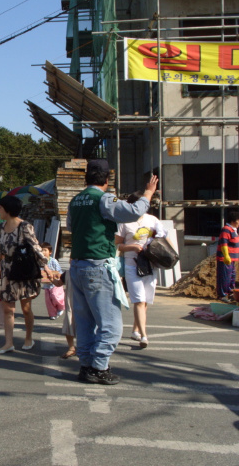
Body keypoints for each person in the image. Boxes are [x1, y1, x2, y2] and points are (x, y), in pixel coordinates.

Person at [67, 159, 158, 385]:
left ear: (86, 178)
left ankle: (86, 365)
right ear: (107, 180)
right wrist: (148, 193)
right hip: (97, 267)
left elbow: (70, 226)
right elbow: (133, 212)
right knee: (111, 324)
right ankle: (99, 367)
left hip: (76, 266)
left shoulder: (75, 200)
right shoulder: (105, 198)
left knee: (85, 321)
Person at [0, 195, 51, 354]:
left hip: (23, 271)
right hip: (7, 272)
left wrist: (47, 268)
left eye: (0, 207)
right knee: (8, 309)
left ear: (8, 209)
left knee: (26, 309)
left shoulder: (25, 226)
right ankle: (8, 343)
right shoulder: (1, 227)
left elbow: (36, 247)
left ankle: (28, 338)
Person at [115, 192, 167, 349]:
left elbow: (163, 236)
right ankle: (144, 335)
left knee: (145, 302)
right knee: (139, 300)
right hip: (132, 264)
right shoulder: (124, 222)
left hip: (150, 264)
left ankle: (135, 330)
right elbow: (117, 245)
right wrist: (132, 247)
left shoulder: (152, 220)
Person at [51, 270, 76, 359]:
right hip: (71, 306)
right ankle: (71, 347)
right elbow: (58, 283)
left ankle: (85, 349)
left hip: (85, 305)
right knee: (68, 326)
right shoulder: (68, 273)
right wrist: (52, 279)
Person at [216, 210, 239, 303]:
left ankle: (230, 293)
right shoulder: (226, 229)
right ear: (234, 221)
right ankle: (223, 295)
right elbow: (224, 243)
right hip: (225, 259)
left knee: (232, 277)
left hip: (232, 259)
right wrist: (226, 255)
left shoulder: (234, 230)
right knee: (225, 277)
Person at [40, 242, 65, 320]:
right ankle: (52, 314)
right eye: (41, 251)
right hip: (46, 284)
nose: (43, 252)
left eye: (45, 250)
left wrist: (55, 275)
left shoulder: (53, 261)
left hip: (55, 283)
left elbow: (59, 271)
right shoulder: (40, 262)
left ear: (50, 252)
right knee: (48, 300)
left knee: (55, 296)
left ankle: (61, 307)